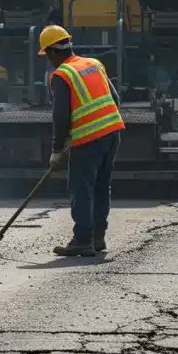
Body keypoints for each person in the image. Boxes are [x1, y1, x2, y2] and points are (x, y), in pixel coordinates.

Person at [40, 24, 124, 257]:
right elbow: (114, 99)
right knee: (101, 186)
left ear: (52, 52)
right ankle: (98, 237)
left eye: (47, 55)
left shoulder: (61, 75)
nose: (48, 61)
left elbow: (61, 115)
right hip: (112, 133)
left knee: (81, 187)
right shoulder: (94, 64)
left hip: (89, 138)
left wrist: (57, 149)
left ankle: (82, 240)